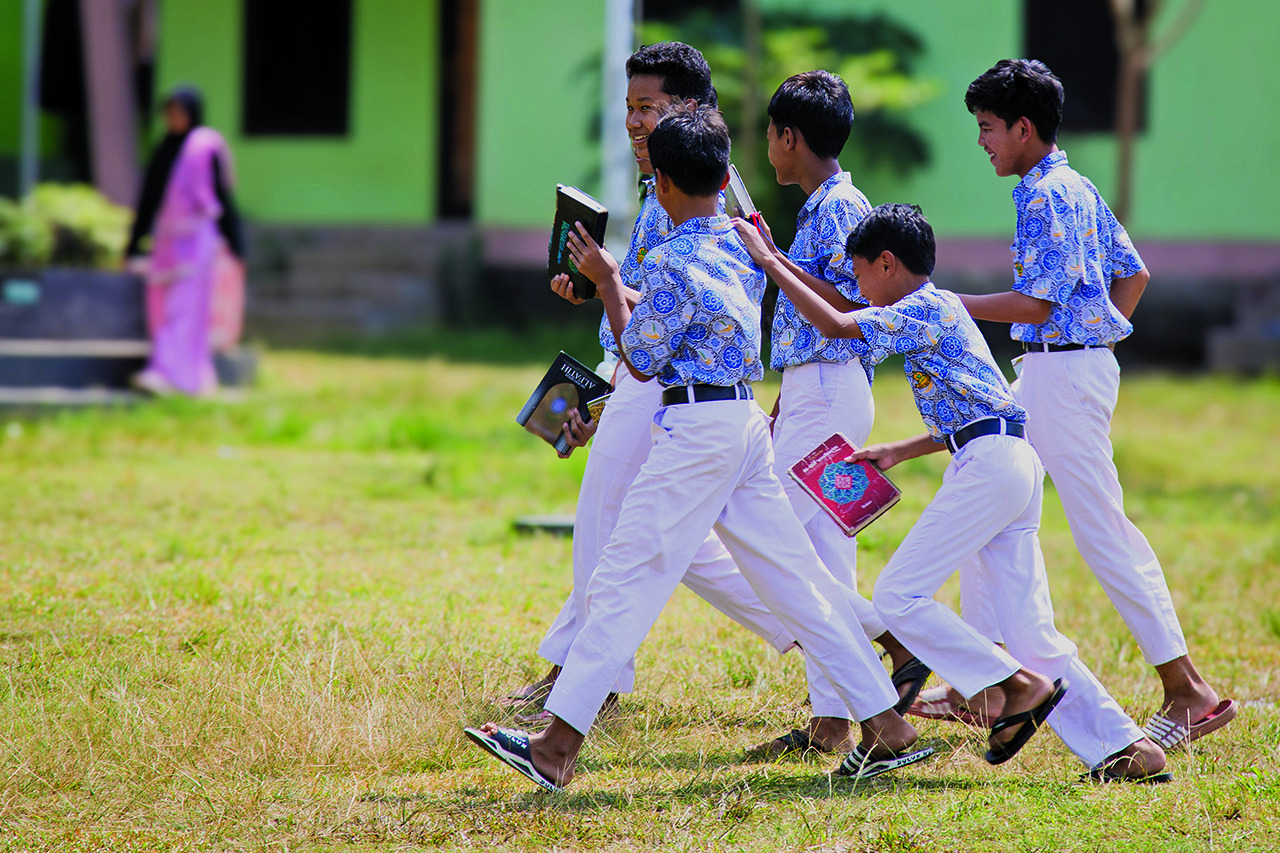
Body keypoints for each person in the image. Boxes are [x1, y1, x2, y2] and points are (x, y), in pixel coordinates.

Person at [466, 107, 933, 791]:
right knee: (798, 584)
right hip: (742, 420)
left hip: (698, 431)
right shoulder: (744, 241)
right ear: (723, 175)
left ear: (661, 183)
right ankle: (888, 725)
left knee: (626, 572)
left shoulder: (672, 259)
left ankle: (556, 747)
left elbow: (644, 359)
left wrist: (603, 282)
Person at [736, 200, 1171, 781]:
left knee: (896, 596)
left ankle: (1013, 687)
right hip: (1009, 459)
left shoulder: (919, 307)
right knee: (1031, 633)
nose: (857, 286)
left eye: (858, 272)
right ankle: (1128, 749)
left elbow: (838, 326)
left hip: (990, 467)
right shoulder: (941, 308)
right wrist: (900, 450)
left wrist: (770, 260)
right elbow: (976, 407)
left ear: (887, 264)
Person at [918, 59, 1234, 750]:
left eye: (989, 128)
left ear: (1024, 128)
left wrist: (944, 305)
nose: (982, 142)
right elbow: (1135, 273)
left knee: (1100, 529)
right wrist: (1100, 344)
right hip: (1056, 369)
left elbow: (1038, 303)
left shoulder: (1047, 195)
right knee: (978, 485)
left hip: (1063, 374)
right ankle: (990, 683)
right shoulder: (1071, 183)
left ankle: (1189, 690)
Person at [499, 42, 799, 725]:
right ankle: (846, 634)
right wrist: (600, 292)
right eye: (629, 108)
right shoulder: (669, 180)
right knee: (697, 548)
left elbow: (673, 318)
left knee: (611, 525)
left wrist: (608, 285)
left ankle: (583, 676)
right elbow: (652, 304)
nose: (634, 123)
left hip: (672, 389)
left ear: (691, 111)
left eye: (648, 108)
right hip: (653, 380)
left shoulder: (698, 191)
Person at [741, 70, 927, 757]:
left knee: (784, 550)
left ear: (791, 137)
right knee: (823, 553)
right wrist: (785, 397)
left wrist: (773, 263)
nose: (768, 146)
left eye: (770, 134)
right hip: (814, 387)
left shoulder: (843, 206)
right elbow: (807, 316)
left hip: (833, 385)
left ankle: (894, 637)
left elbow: (853, 307)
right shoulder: (821, 205)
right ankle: (833, 720)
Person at [125, 85, 244, 397]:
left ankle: (173, 373)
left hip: (197, 243)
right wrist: (134, 243)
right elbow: (148, 200)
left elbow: (222, 199)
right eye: (170, 112)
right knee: (162, 308)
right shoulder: (163, 149)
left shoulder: (205, 148)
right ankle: (169, 372)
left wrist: (236, 243)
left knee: (187, 307)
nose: (174, 118)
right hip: (166, 242)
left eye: (179, 112)